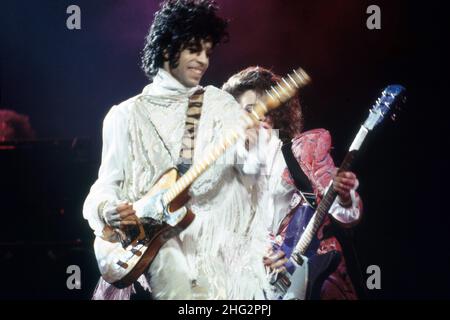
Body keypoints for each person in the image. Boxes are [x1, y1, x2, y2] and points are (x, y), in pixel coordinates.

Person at [83, 0, 272, 300]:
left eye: (208, 52)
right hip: (160, 250)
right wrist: (107, 209)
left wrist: (254, 146)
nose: (204, 60)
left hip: (218, 252)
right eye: (194, 49)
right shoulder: (124, 116)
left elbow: (253, 176)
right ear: (168, 48)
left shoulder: (218, 104)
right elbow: (105, 186)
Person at [222, 66, 364, 299]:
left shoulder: (303, 151)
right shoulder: (234, 177)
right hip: (274, 288)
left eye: (254, 109)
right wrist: (260, 257)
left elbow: (347, 214)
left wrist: (345, 197)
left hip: (319, 276)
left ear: (273, 113)